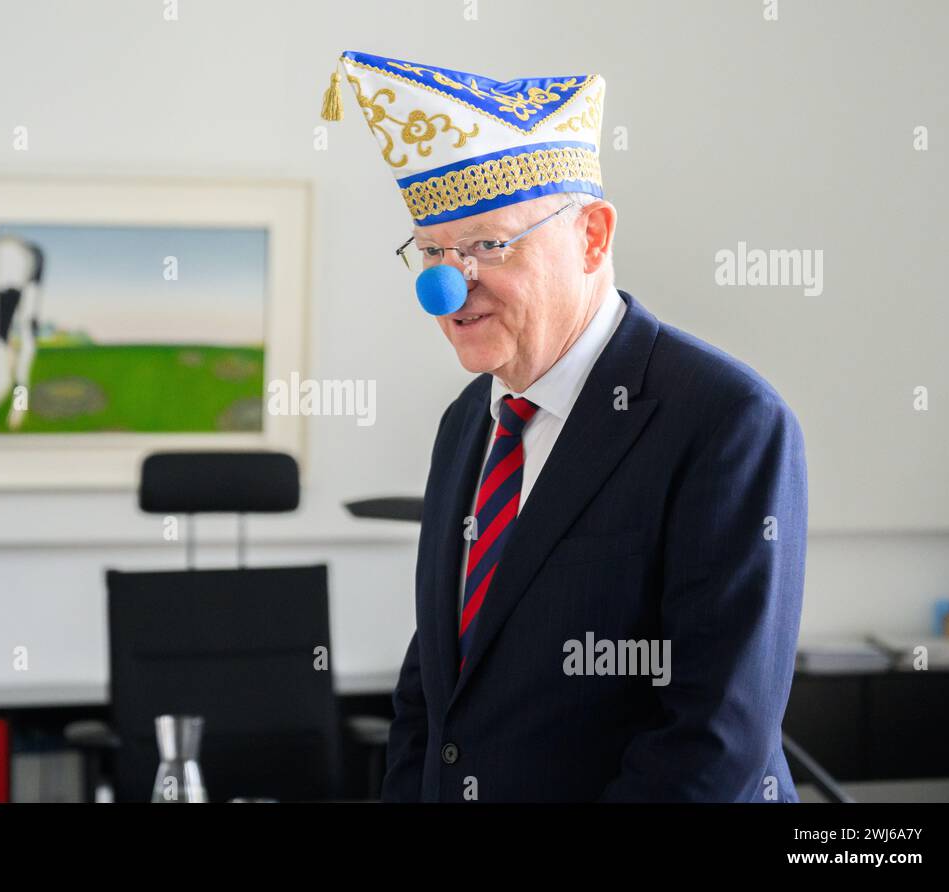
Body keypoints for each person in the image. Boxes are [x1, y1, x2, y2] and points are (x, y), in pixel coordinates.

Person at [322, 51, 808, 802]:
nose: (447, 285)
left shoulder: (727, 422)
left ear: (592, 237)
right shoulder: (466, 425)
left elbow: (713, 740)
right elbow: (433, 693)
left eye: (487, 245)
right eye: (431, 251)